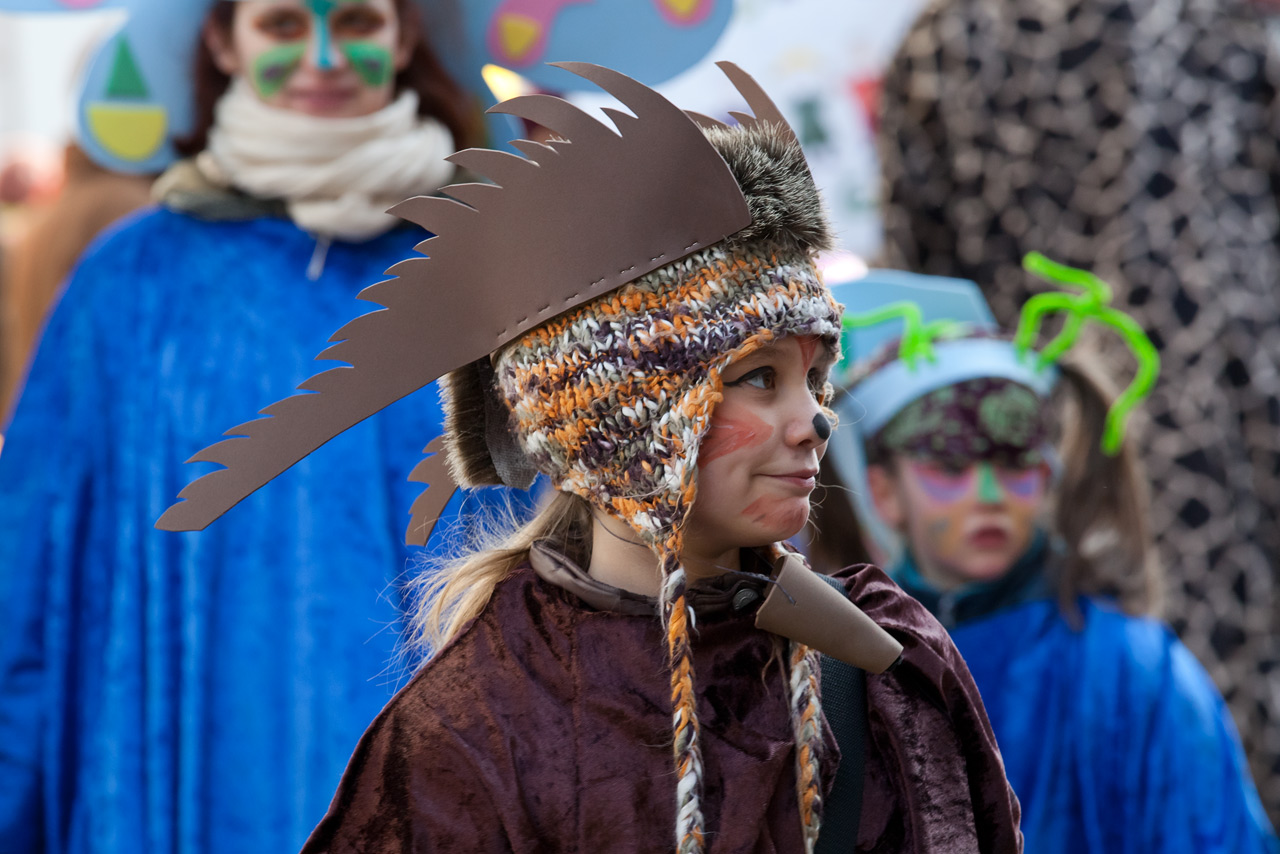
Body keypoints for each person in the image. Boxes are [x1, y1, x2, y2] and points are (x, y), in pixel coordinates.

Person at [157, 61, 1024, 852]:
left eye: (814, 376)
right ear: (621, 420)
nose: (813, 422)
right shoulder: (473, 736)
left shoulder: (889, 668)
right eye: (758, 377)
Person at [0, 3, 530, 853]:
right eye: (282, 23)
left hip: (444, 790)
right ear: (222, 41)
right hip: (195, 793)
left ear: (402, 36)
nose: (323, 56)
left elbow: (565, 552)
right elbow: (29, 578)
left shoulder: (496, 275)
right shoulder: (129, 280)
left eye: (354, 20)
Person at [875, 0, 1280, 818]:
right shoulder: (1220, 23)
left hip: (1067, 437)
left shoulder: (941, 44)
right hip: (1057, 447)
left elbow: (924, 290)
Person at [811, 262, 1277, 852]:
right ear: (883, 491)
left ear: (1046, 474)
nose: (988, 495)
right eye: (950, 466)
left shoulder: (1133, 670)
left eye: (1013, 463)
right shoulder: (838, 671)